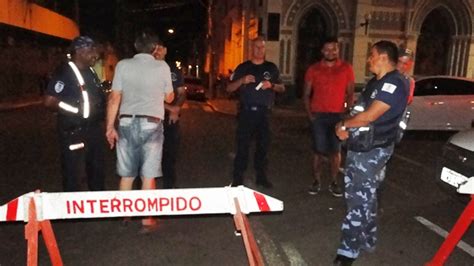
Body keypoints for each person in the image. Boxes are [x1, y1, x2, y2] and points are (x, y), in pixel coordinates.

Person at [332, 40, 409, 265]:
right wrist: (346, 126)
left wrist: (344, 126)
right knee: (368, 196)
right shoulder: (376, 82)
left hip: (372, 151)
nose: (369, 60)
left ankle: (348, 251)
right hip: (362, 146)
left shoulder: (393, 83)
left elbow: (370, 115)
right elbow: (359, 110)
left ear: (384, 57)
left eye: (372, 55)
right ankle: (368, 238)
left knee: (357, 200)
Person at [105, 30, 174, 233]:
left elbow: (114, 98)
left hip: (126, 123)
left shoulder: (123, 65)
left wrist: (110, 127)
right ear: (155, 48)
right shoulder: (162, 66)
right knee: (148, 175)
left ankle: (125, 216)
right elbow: (169, 98)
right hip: (152, 123)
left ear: (136, 47)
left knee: (127, 174)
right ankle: (146, 220)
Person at [44, 36, 106, 192]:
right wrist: (75, 111)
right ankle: (73, 214)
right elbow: (49, 101)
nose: (95, 54)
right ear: (79, 51)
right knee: (74, 173)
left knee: (97, 170)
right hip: (74, 131)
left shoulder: (91, 71)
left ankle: (95, 207)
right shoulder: (65, 72)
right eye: (91, 50)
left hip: (94, 129)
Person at [226, 36, 285, 188]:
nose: (259, 50)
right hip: (246, 113)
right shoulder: (243, 67)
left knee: (263, 147)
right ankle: (238, 177)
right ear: (251, 49)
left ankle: (261, 177)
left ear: (265, 49)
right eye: (257, 47)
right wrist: (242, 81)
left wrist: (271, 85)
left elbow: (282, 88)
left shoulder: (271, 68)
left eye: (262, 47)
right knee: (242, 147)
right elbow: (229, 88)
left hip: (264, 113)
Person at [303, 37, 355, 197]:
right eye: (327, 49)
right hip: (318, 116)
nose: (331, 52)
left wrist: (346, 114)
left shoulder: (346, 68)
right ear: (322, 51)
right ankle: (316, 180)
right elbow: (306, 94)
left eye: (334, 49)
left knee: (335, 151)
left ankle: (333, 181)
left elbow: (350, 93)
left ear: (338, 50)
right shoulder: (314, 69)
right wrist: (310, 115)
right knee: (318, 150)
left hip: (337, 116)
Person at [152, 41, 186, 189]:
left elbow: (182, 93)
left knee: (169, 157)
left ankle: (169, 190)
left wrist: (176, 108)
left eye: (160, 48)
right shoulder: (148, 69)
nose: (157, 51)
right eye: (154, 49)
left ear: (165, 50)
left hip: (169, 120)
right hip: (151, 118)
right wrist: (170, 108)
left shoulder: (173, 70)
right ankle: (145, 193)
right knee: (149, 158)